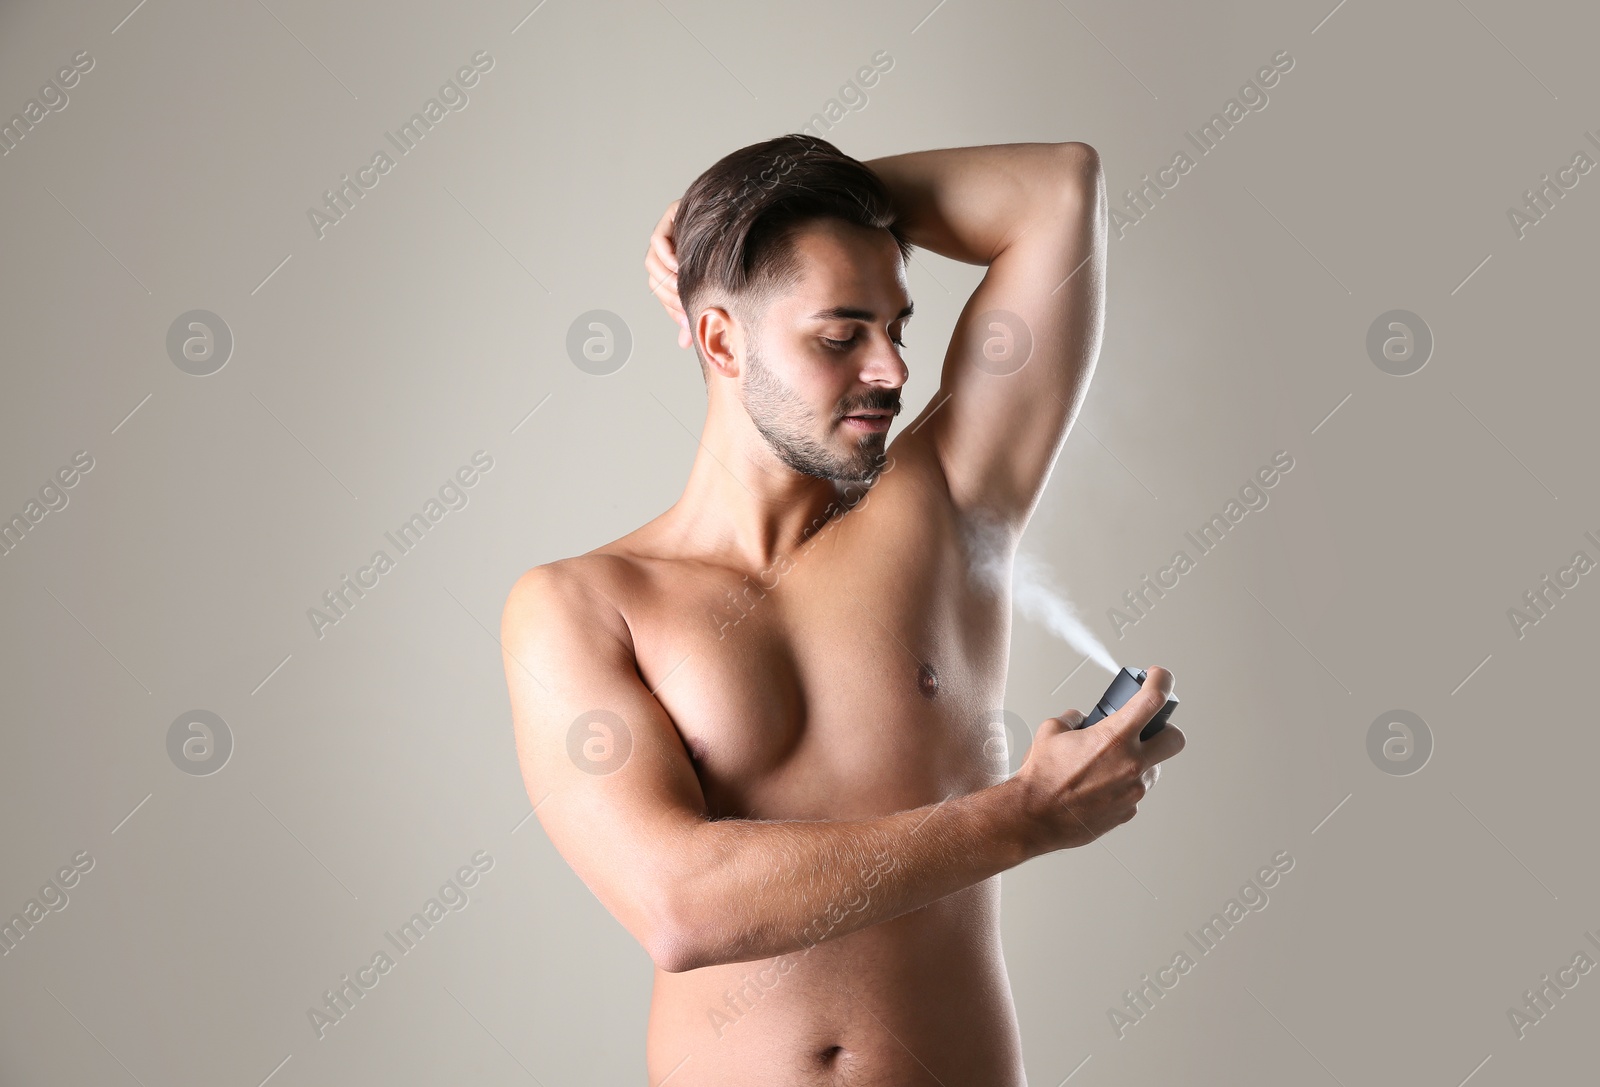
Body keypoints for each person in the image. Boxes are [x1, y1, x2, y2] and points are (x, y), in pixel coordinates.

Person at [500, 133, 1185, 1086]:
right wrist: (1024, 815)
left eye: (898, 327)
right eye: (840, 335)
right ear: (721, 339)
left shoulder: (947, 502)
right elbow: (679, 905)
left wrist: (730, 215)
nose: (893, 371)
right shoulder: (584, 607)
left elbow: (1056, 189)